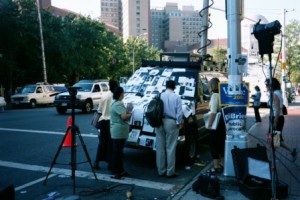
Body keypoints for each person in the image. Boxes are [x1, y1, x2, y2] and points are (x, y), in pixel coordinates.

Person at [265, 78, 297, 161]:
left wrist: (275, 121)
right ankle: (291, 151)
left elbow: (278, 109)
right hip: (277, 119)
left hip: (276, 119)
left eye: (267, 85)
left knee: (270, 141)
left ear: (271, 85)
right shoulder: (277, 92)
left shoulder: (275, 94)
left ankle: (269, 160)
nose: (266, 87)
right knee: (276, 141)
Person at [155, 80, 182, 178]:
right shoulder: (176, 97)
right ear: (174, 87)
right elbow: (179, 113)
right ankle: (170, 172)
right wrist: (178, 123)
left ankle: (161, 170)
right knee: (170, 147)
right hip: (171, 122)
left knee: (160, 147)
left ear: (166, 86)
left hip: (159, 121)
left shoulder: (159, 96)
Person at [93, 80, 118, 170]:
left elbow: (99, 110)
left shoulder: (104, 95)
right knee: (111, 143)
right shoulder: (116, 97)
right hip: (112, 122)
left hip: (103, 121)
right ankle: (110, 163)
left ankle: (96, 161)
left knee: (102, 143)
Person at [110, 86, 132, 179]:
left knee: (118, 152)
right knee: (117, 152)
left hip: (117, 130)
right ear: (120, 94)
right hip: (119, 131)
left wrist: (126, 110)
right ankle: (116, 172)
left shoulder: (114, 103)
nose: (124, 94)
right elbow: (123, 117)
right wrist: (130, 113)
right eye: (123, 93)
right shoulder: (118, 104)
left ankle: (120, 170)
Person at [206, 77, 226, 174]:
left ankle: (216, 166)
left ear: (211, 86)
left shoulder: (214, 96)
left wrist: (209, 124)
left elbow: (213, 112)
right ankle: (223, 164)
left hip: (216, 124)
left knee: (214, 145)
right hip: (222, 123)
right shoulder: (222, 95)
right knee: (221, 144)